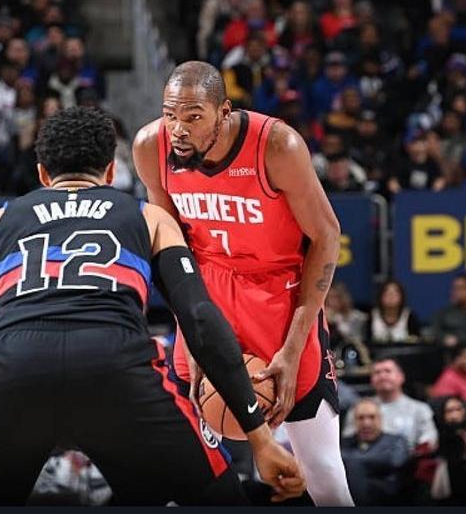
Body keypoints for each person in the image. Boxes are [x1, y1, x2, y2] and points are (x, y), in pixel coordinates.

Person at [0, 106, 305, 506]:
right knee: (220, 498)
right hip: (116, 368)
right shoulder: (150, 218)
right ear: (111, 172)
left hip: (13, 369)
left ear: (42, 173)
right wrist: (259, 438)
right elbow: (199, 317)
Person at [133, 61, 353, 506]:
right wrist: (193, 338)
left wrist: (293, 348)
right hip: (207, 294)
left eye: (193, 116)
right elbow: (171, 250)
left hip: (279, 294)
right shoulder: (150, 147)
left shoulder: (277, 146)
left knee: (323, 473)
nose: (179, 129)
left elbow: (327, 236)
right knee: (183, 470)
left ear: (224, 112)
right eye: (170, 114)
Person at [343, 358, 438, 452]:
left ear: (401, 377)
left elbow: (430, 440)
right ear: (371, 379)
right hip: (367, 458)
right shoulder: (359, 408)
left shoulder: (420, 409)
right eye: (377, 373)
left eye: (387, 371)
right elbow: (348, 439)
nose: (382, 376)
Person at [341, 399, 409, 506]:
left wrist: (351, 460)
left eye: (372, 417)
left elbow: (394, 461)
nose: (366, 423)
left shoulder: (396, 441)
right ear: (354, 421)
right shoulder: (343, 443)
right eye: (361, 418)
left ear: (380, 419)